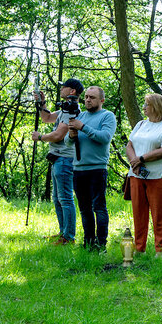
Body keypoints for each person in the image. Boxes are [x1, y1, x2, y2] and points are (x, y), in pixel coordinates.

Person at [125, 93, 162, 256]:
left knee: (159, 213)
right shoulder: (141, 124)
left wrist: (142, 159)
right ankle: (139, 248)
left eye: (147, 104)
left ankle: (159, 250)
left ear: (155, 107)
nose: (144, 107)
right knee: (138, 212)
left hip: (158, 175)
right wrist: (134, 161)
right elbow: (130, 144)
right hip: (136, 174)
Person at [32, 78, 83, 245]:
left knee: (65, 198)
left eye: (64, 87)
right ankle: (63, 232)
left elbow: (58, 135)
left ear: (72, 91)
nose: (61, 89)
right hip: (58, 159)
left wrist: (39, 137)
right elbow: (47, 118)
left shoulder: (71, 111)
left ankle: (68, 237)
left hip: (65, 159)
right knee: (57, 198)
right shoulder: (64, 110)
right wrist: (42, 103)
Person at [68, 86, 117, 250]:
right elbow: (69, 143)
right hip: (78, 169)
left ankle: (101, 244)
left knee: (99, 207)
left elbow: (104, 138)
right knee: (84, 209)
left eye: (92, 97)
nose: (88, 100)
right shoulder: (80, 116)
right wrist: (71, 136)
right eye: (87, 97)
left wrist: (83, 128)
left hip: (97, 169)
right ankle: (88, 243)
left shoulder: (107, 116)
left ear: (101, 100)